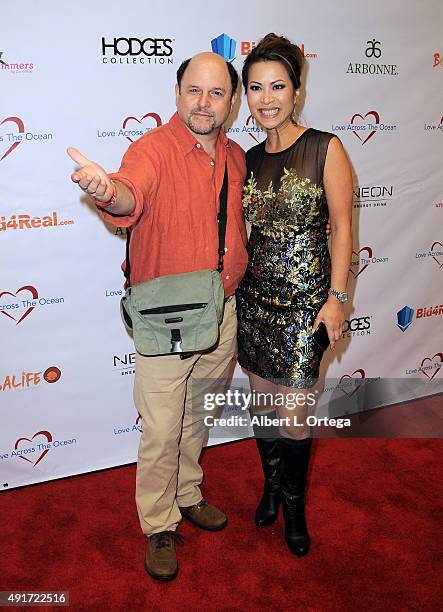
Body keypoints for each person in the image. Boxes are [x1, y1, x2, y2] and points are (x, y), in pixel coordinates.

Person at [67, 52, 248, 581]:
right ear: (176, 93)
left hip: (223, 309)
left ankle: (188, 493)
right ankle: (159, 523)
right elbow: (129, 193)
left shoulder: (237, 157)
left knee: (199, 415)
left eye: (217, 94)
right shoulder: (151, 149)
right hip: (167, 319)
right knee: (163, 427)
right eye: (195, 90)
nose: (204, 103)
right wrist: (107, 190)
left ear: (232, 102)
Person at [236, 34, 353, 556]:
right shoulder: (248, 159)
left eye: (277, 86)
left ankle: (296, 509)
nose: (266, 98)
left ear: (297, 91)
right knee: (264, 408)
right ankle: (271, 488)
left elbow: (344, 229)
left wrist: (338, 298)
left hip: (307, 309)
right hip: (254, 303)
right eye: (255, 87)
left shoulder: (326, 147)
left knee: (295, 417)